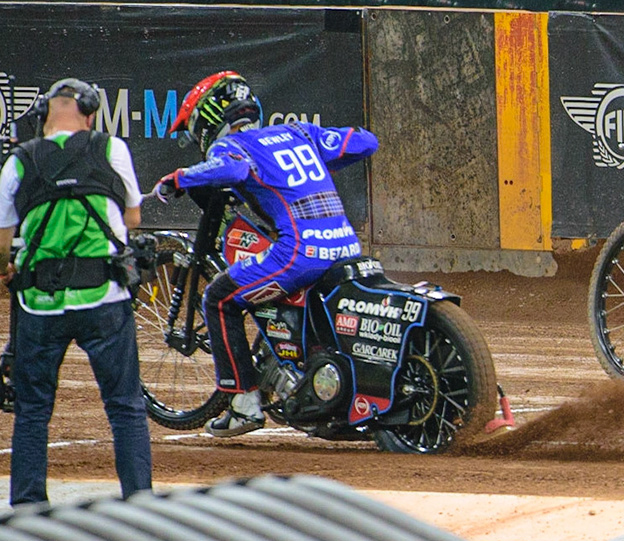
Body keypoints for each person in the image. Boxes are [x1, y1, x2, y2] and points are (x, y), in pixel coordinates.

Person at [152, 71, 378, 436]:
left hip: (300, 255)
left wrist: (180, 177)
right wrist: (319, 161)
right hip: (346, 248)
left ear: (208, 121)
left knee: (219, 298)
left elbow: (232, 168)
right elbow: (366, 142)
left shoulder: (232, 146)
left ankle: (243, 404)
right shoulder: (298, 133)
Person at [0, 78, 151, 507]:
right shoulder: (110, 148)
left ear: (44, 114)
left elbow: (2, 239)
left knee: (32, 410)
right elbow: (134, 217)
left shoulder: (20, 160)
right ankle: (141, 503)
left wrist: (5, 270)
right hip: (104, 296)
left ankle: (28, 508)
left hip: (39, 302)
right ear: (89, 114)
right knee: (125, 407)